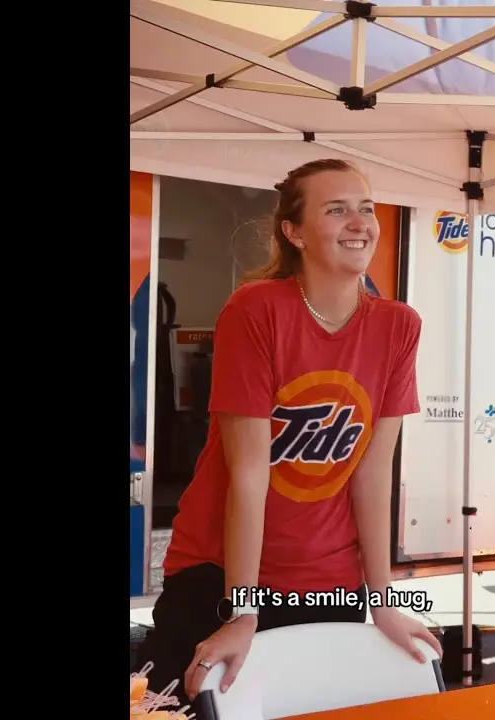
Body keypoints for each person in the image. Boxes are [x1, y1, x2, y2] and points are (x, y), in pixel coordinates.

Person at [137, 158, 442, 707]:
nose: (360, 222)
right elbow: (249, 475)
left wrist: (383, 599)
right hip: (220, 570)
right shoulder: (256, 312)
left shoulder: (399, 325)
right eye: (337, 209)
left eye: (367, 208)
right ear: (294, 232)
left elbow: (373, 477)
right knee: (177, 708)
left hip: (327, 577)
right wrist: (244, 610)